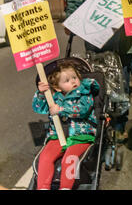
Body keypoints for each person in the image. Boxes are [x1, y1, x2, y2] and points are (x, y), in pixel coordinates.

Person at [65, 0, 132, 140]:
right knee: (98, 85)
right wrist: (71, 20)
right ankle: (100, 124)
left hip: (121, 43)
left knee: (121, 86)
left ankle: (120, 126)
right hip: (94, 42)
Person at [32, 62, 99, 190]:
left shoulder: (84, 93)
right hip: (58, 134)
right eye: (67, 80)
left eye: (74, 77)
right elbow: (38, 108)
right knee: (45, 157)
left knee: (70, 160)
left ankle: (66, 187)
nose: (73, 81)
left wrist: (62, 109)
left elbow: (83, 109)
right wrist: (41, 94)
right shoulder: (54, 98)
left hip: (81, 135)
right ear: (58, 88)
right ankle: (43, 187)